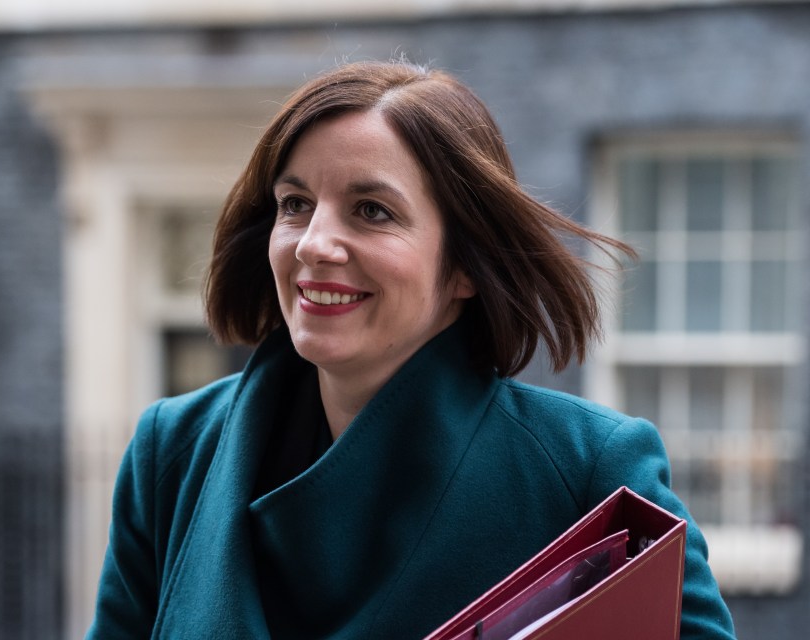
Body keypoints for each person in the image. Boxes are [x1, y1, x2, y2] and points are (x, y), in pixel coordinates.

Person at [86, 60, 736, 639]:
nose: (314, 242)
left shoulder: (588, 471)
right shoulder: (170, 455)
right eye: (295, 204)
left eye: (371, 210)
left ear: (466, 267)